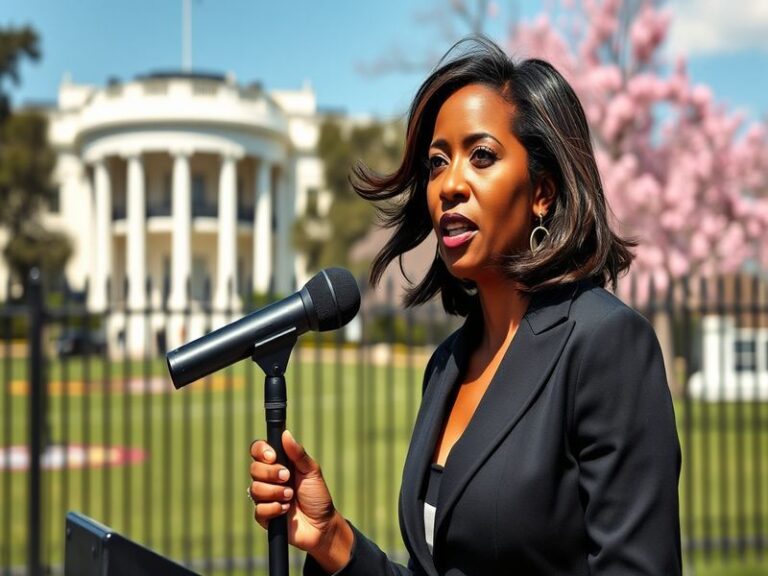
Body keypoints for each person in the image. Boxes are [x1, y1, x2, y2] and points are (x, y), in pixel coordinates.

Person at [248, 36, 681, 575]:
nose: (449, 184)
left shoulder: (604, 345)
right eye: (436, 163)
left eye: (481, 156)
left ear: (542, 191)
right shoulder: (448, 365)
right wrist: (331, 537)